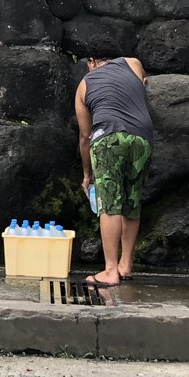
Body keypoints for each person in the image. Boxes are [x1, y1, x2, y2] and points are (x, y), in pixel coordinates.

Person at [74, 50, 152, 288]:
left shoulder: (84, 85)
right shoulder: (133, 63)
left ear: (92, 61)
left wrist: (87, 175)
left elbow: (85, 136)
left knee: (110, 204)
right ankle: (125, 265)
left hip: (107, 138)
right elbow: (144, 85)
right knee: (132, 201)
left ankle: (110, 270)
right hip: (142, 138)